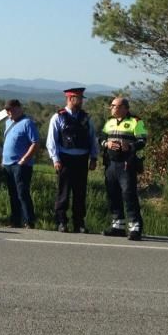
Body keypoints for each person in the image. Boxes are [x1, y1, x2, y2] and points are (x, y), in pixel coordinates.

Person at [47, 87, 100, 233]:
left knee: (80, 193)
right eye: (79, 98)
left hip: (82, 159)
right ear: (70, 98)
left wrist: (94, 157)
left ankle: (79, 223)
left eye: (82, 98)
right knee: (63, 193)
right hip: (65, 160)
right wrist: (55, 159)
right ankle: (61, 221)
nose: (82, 101)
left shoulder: (85, 118)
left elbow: (92, 138)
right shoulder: (58, 117)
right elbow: (52, 141)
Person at [102, 97, 148, 241]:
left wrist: (130, 146)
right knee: (113, 194)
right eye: (111, 106)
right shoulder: (109, 122)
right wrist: (106, 144)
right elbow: (100, 138)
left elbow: (142, 140)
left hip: (127, 164)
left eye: (114, 105)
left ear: (124, 108)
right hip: (111, 164)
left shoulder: (136, 121)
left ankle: (135, 227)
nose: (112, 108)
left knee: (129, 195)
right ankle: (118, 227)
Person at [2, 99, 40, 229]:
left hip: (21, 164)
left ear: (19, 108)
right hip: (8, 164)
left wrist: (25, 159)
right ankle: (15, 220)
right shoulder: (8, 123)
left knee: (22, 193)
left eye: (11, 109)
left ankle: (29, 220)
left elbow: (35, 142)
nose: (9, 113)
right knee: (12, 193)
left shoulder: (27, 123)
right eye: (7, 110)